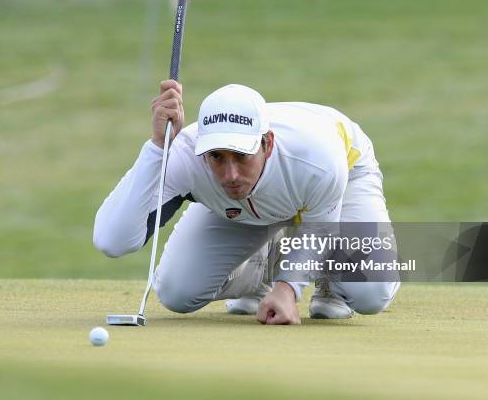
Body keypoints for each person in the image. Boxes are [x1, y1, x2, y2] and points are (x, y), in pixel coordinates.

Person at [93, 80, 400, 325]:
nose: (230, 175)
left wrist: (288, 289)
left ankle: (330, 282)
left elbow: (320, 228)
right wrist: (157, 147)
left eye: (241, 156)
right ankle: (262, 272)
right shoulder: (185, 154)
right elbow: (112, 240)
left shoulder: (318, 158)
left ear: (266, 144)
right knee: (177, 293)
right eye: (217, 157)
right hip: (243, 211)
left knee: (370, 292)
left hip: (346, 174)